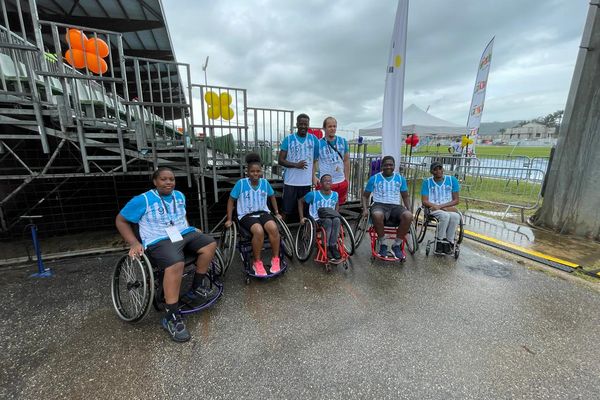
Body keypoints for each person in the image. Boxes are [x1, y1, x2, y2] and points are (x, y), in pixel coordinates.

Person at [115, 167, 217, 343]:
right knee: (176, 263)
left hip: (182, 233)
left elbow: (180, 216)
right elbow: (121, 220)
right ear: (155, 181)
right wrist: (134, 242)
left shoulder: (179, 196)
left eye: (171, 179)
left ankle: (196, 288)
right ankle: (171, 317)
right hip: (158, 239)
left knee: (210, 243)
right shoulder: (143, 200)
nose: (169, 182)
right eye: (164, 179)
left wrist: (192, 230)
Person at [225, 153, 282, 276]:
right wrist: (229, 219)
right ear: (247, 172)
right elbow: (231, 200)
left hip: (263, 212)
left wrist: (276, 213)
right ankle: (257, 262)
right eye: (252, 171)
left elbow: (272, 196)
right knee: (258, 231)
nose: (255, 174)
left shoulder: (265, 183)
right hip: (246, 215)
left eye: (258, 171)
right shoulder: (241, 183)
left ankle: (275, 259)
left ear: (261, 171)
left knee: (273, 227)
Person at [362, 156, 413, 260]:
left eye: (391, 165)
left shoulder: (400, 178)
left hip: (395, 206)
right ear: (382, 166)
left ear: (394, 166)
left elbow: (405, 196)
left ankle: (396, 245)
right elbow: (365, 196)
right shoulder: (375, 178)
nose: (388, 167)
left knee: (408, 215)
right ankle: (383, 243)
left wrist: (409, 209)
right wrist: (365, 209)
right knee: (376, 214)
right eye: (386, 165)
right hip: (379, 204)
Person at [278, 113, 320, 220]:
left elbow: (315, 161)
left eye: (305, 124)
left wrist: (314, 176)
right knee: (286, 210)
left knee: (305, 211)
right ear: (297, 124)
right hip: (290, 181)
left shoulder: (314, 139)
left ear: (308, 125)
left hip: (306, 182)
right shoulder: (289, 139)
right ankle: (281, 232)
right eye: (301, 124)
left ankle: (305, 233)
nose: (303, 126)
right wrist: (296, 165)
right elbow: (281, 160)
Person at [298, 174, 342, 260]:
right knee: (328, 221)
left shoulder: (335, 194)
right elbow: (300, 201)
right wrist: (301, 217)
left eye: (330, 180)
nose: (328, 182)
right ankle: (326, 246)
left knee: (337, 220)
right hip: (316, 219)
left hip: (332, 217)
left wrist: (336, 212)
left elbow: (337, 204)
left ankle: (333, 246)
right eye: (325, 180)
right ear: (320, 183)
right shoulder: (313, 194)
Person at [420, 161, 461, 254]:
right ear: (431, 172)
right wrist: (437, 207)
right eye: (435, 169)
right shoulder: (427, 182)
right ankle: (439, 241)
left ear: (443, 169)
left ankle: (449, 242)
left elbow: (456, 200)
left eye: (440, 168)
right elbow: (425, 200)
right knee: (445, 216)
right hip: (433, 208)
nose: (438, 171)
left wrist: (441, 206)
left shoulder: (452, 180)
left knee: (455, 217)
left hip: (446, 207)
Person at [316, 116, 350, 204]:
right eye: (330, 126)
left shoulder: (342, 141)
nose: (332, 129)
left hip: (340, 181)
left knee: (339, 206)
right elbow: (313, 161)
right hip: (325, 183)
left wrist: (347, 180)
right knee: (324, 207)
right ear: (324, 128)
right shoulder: (319, 143)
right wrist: (313, 177)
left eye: (334, 126)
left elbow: (346, 161)